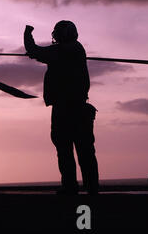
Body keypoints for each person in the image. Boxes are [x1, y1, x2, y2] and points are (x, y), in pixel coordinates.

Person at [24, 21, 99, 195]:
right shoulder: (78, 49)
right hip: (80, 108)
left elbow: (34, 50)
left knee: (65, 150)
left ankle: (70, 186)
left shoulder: (60, 51)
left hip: (64, 110)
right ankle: (92, 187)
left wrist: (28, 32)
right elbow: (40, 53)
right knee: (85, 150)